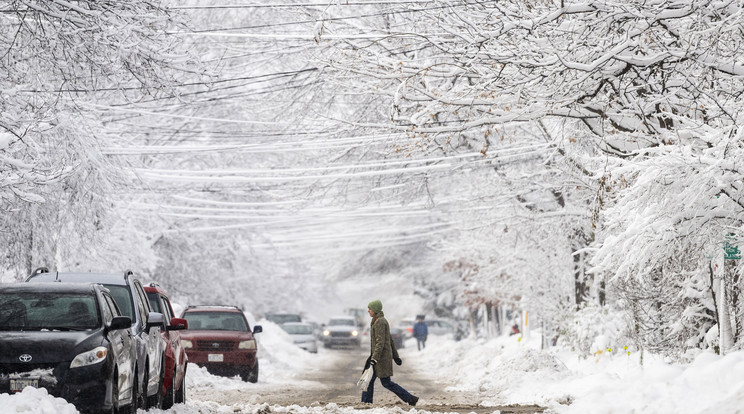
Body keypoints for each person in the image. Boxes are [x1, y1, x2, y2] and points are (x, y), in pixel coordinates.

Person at [361, 299, 419, 406]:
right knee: (371, 380)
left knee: (382, 382)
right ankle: (366, 402)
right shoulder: (377, 320)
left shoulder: (380, 322)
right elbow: (390, 340)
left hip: (380, 359)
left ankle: (367, 402)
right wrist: (395, 356)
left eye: (370, 309)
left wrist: (374, 359)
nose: (368, 311)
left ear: (375, 310)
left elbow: (381, 342)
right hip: (378, 357)